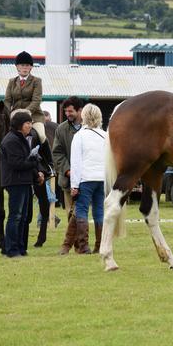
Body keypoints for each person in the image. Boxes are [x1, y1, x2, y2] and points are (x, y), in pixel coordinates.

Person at [0, 111, 44, 258]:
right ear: (20, 125)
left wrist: (36, 172)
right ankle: (11, 249)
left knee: (23, 216)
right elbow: (16, 163)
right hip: (15, 181)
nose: (30, 125)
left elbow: (25, 160)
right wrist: (33, 161)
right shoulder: (11, 140)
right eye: (27, 123)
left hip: (23, 181)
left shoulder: (22, 139)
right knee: (16, 216)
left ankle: (19, 247)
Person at [4, 51, 54, 176]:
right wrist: (9, 112)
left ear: (31, 67)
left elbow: (37, 100)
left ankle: (49, 164)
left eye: (27, 66)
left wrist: (26, 112)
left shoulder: (36, 81)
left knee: (42, 136)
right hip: (15, 116)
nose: (24, 68)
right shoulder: (12, 81)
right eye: (22, 65)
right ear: (17, 67)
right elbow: (7, 100)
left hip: (34, 116)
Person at [69, 103, 107, 254]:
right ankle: (100, 245)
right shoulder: (105, 135)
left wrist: (74, 185)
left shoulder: (79, 136)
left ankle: (84, 246)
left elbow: (76, 162)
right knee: (99, 211)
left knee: (82, 211)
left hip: (85, 178)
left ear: (83, 116)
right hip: (102, 178)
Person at [52, 96, 86, 254]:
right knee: (71, 213)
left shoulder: (90, 127)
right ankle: (78, 245)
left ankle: (81, 244)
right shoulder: (61, 129)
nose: (67, 114)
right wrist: (68, 170)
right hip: (68, 180)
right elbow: (57, 153)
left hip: (89, 178)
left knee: (83, 213)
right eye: (65, 111)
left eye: (70, 111)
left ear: (80, 110)